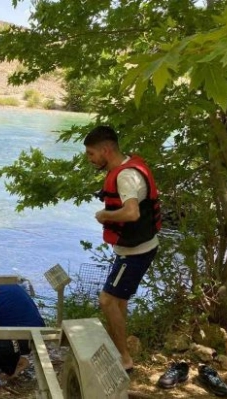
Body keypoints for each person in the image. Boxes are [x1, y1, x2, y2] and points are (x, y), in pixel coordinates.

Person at [84, 125, 161, 372]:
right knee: (119, 301)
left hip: (135, 253)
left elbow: (131, 212)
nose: (90, 159)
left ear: (106, 150)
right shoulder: (126, 167)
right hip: (137, 248)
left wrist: (105, 214)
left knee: (107, 300)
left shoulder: (125, 176)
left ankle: (124, 358)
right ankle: (120, 350)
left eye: (91, 154)